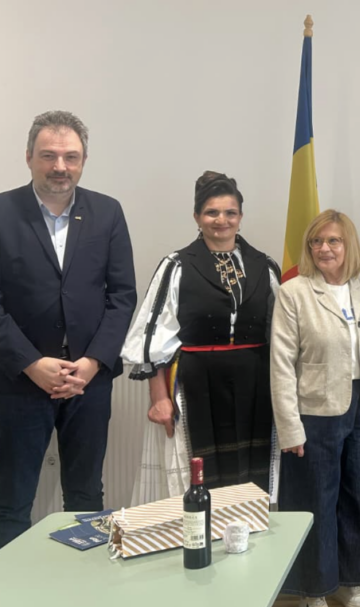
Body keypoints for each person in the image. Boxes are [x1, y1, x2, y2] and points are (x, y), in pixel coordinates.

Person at [0, 110, 136, 552]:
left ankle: (83, 585)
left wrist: (93, 362)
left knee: (86, 496)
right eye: (49, 155)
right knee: (12, 499)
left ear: (83, 161)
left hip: (87, 382)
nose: (60, 166)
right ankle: (9, 587)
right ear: (29, 157)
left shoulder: (107, 212)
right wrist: (31, 364)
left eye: (70, 157)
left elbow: (122, 296)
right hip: (18, 381)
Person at [122, 172, 281, 501]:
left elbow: (282, 333)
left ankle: (250, 529)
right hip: (197, 385)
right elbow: (154, 338)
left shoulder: (264, 265)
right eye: (212, 212)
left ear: (240, 216)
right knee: (197, 477)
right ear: (196, 217)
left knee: (252, 476)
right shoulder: (177, 266)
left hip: (256, 387)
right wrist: (159, 399)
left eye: (230, 212)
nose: (221, 220)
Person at [271, 209, 360, 607]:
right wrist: (289, 427)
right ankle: (314, 589)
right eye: (316, 241)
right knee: (315, 500)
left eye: (333, 240)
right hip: (314, 412)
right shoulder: (294, 292)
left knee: (357, 495)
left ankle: (352, 582)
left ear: (348, 244)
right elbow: (281, 364)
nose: (324, 248)